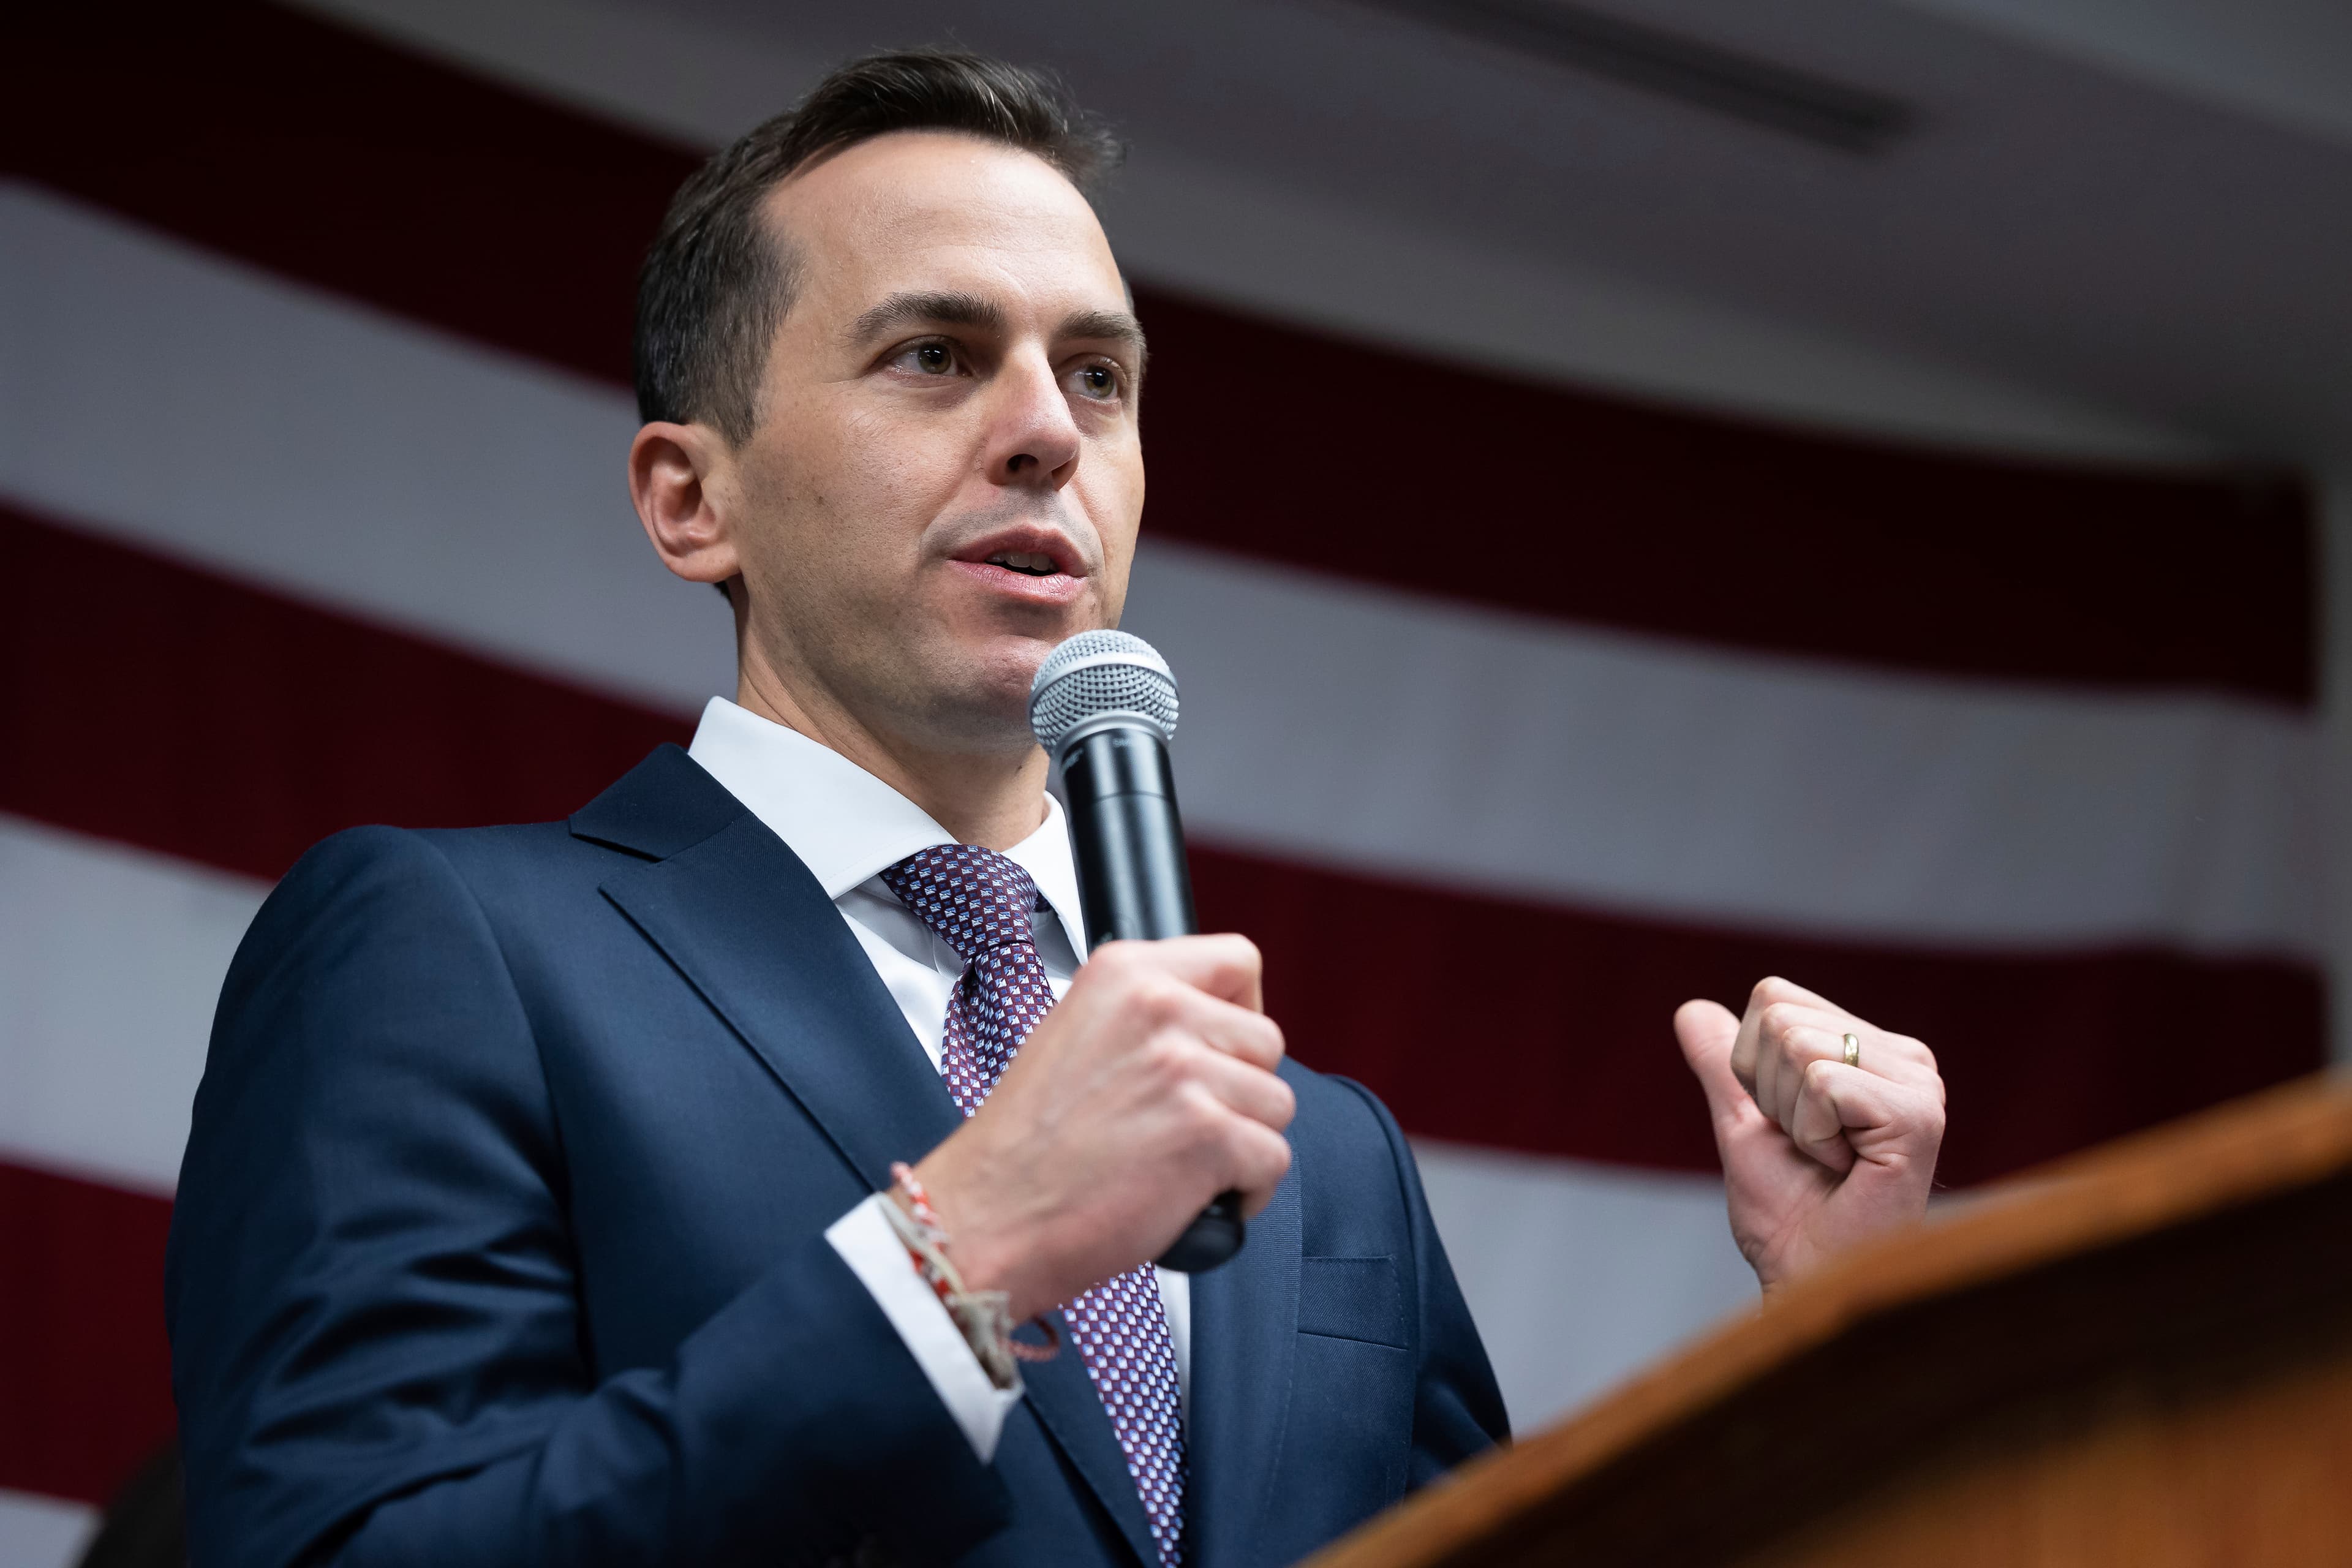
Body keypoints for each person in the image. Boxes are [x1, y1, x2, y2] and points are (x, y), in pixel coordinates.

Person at [165, 50, 1947, 1568]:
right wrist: (961, 1257)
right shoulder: (454, 948)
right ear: (691, 500)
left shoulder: (1321, 1153)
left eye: (1098, 375)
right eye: (937, 355)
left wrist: (1843, 1342)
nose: (1047, 432)